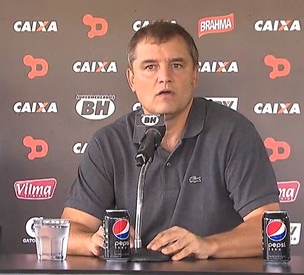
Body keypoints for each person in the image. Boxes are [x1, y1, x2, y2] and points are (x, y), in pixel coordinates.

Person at [62, 21, 280, 261]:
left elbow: (269, 229)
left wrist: (207, 245)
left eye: (176, 65)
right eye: (150, 67)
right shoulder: (108, 143)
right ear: (131, 79)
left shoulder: (233, 133)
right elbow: (71, 228)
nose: (164, 77)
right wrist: (93, 241)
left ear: (194, 74)